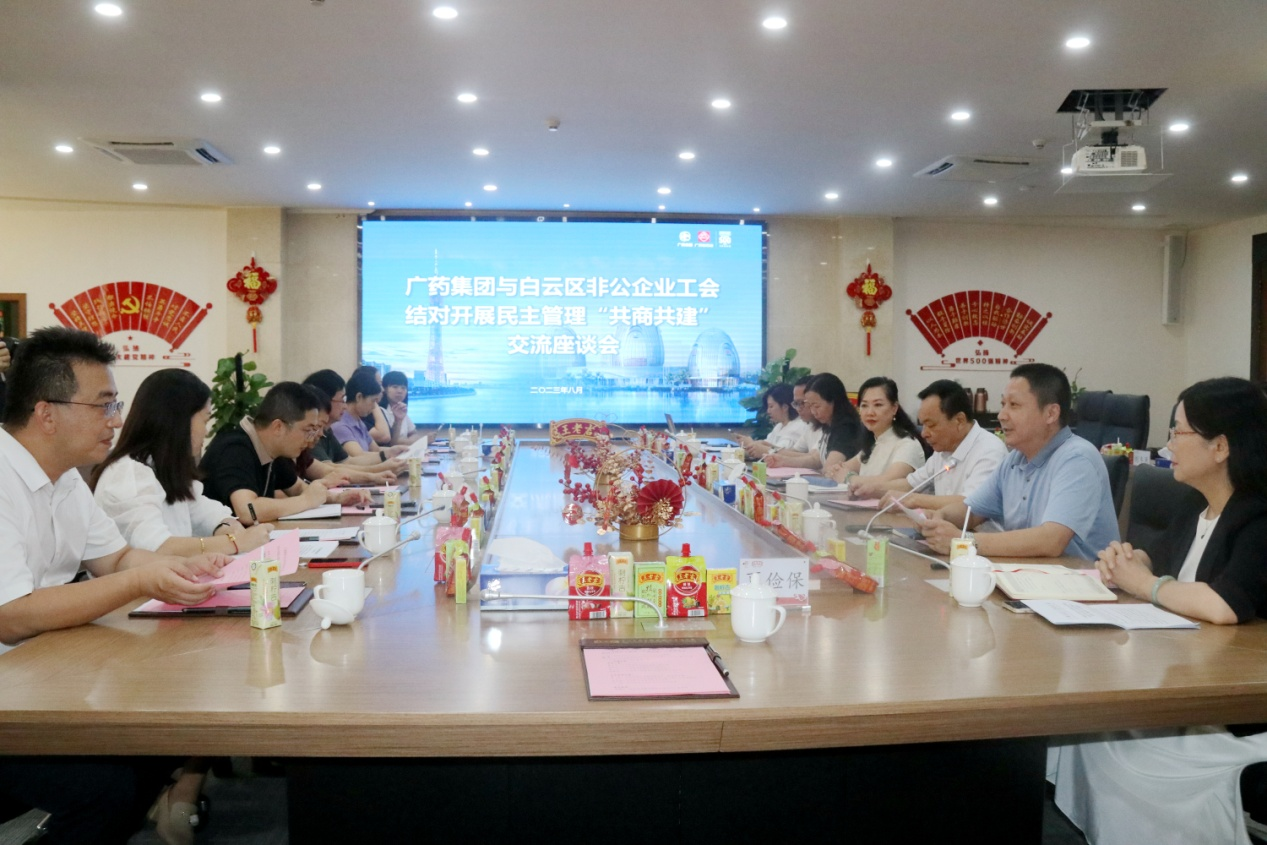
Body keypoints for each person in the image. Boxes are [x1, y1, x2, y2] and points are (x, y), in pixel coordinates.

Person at [0, 327, 226, 844]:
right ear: (46, 413)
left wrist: (184, 567)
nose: (117, 420)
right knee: (106, 790)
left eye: (116, 404)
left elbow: (117, 557)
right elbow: (10, 614)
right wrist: (141, 579)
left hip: (37, 679)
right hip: (11, 698)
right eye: (103, 405)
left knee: (158, 745)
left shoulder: (65, 478)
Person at [1049, 377, 1267, 845]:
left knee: (1109, 746)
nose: (1168, 444)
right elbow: (1160, 562)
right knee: (1086, 728)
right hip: (1186, 681)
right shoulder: (1195, 504)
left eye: (1178, 431)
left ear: (1221, 447)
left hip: (1236, 710)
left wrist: (1144, 584)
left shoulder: (1258, 515)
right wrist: (1126, 561)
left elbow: (1224, 604)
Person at [919, 363, 1119, 559]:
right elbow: (971, 511)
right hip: (1026, 573)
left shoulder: (1077, 459)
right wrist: (940, 518)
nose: (1001, 415)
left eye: (1013, 405)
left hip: (1080, 577)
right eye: (1003, 404)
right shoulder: (1015, 459)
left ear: (1051, 413)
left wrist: (963, 542)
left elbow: (1051, 540)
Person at [92, 368, 274, 557]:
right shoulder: (128, 473)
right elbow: (157, 548)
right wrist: (235, 542)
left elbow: (206, 512)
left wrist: (226, 525)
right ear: (180, 421)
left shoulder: (163, 467)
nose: (205, 432)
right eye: (204, 421)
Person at [199, 381, 369, 523]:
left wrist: (337, 499)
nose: (311, 439)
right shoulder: (235, 449)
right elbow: (248, 510)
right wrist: (306, 500)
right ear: (278, 427)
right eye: (308, 430)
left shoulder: (273, 448)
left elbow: (298, 488)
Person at [849, 378, 1007, 511]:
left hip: (977, 537)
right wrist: (871, 489)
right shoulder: (942, 450)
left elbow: (970, 504)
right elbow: (911, 484)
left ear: (959, 420)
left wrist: (914, 500)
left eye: (931, 425)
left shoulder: (989, 450)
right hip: (943, 531)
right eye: (923, 425)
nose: (924, 433)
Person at [826, 376, 929, 487]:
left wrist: (849, 478)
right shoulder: (873, 442)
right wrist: (835, 471)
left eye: (878, 405)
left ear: (894, 408)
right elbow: (839, 469)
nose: (870, 412)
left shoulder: (908, 444)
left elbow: (887, 482)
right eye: (864, 405)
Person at [304, 369, 405, 469]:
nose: (345, 406)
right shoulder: (338, 426)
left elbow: (347, 461)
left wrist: (390, 453)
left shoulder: (329, 430)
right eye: (342, 400)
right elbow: (332, 469)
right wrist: (381, 468)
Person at [766, 373, 864, 474]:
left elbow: (829, 470)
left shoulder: (846, 428)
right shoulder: (827, 424)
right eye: (810, 406)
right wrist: (783, 461)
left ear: (833, 402)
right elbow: (816, 460)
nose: (813, 412)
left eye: (817, 406)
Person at [738, 383, 809, 459]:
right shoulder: (779, 426)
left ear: (785, 407)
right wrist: (750, 446)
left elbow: (781, 453)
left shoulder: (799, 426)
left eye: (771, 406)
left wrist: (752, 444)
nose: (768, 411)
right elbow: (766, 446)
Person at [332, 370, 387, 458]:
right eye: (373, 401)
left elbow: (375, 450)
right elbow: (359, 456)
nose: (374, 407)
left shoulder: (358, 422)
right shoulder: (340, 425)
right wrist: (389, 455)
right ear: (359, 397)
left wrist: (397, 450)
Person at [381, 371, 425, 445]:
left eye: (403, 388)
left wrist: (408, 442)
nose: (400, 391)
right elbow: (391, 442)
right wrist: (423, 441)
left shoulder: (401, 409)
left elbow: (414, 433)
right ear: (385, 389)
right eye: (395, 387)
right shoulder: (381, 411)